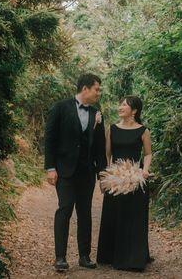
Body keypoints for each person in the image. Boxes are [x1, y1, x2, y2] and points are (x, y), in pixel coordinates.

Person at [44, 73, 107, 272]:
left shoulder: (97, 114)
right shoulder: (60, 107)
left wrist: (102, 174)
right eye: (96, 89)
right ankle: (60, 257)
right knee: (64, 210)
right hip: (65, 170)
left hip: (86, 171)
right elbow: (50, 139)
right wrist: (50, 168)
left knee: (85, 213)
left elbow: (100, 147)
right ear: (85, 88)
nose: (98, 93)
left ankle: (84, 256)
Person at [97, 95, 152, 271]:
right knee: (114, 215)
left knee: (133, 218)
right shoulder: (112, 129)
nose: (120, 107)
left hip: (135, 178)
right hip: (115, 178)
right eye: (120, 104)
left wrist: (145, 170)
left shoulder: (143, 130)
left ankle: (134, 257)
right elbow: (107, 154)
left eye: (124, 105)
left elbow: (148, 154)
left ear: (134, 110)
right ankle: (110, 255)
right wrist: (106, 175)